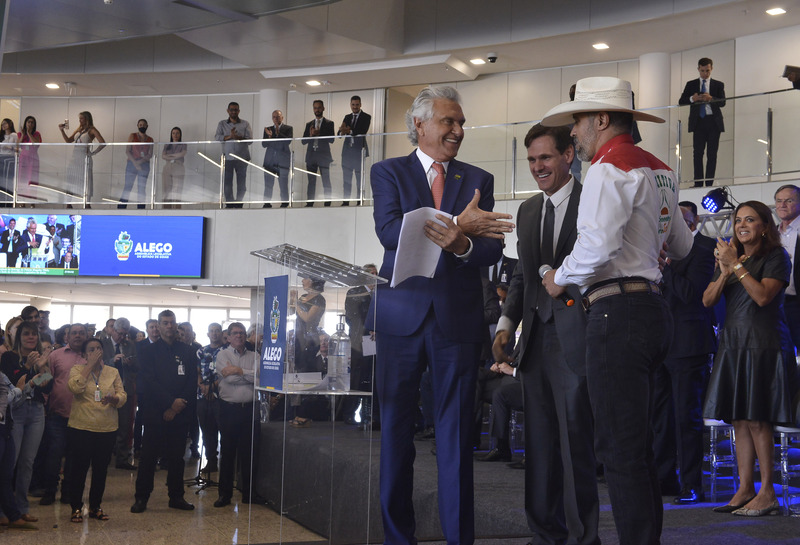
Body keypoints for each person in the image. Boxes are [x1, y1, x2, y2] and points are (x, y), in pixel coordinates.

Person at [540, 76, 693, 545]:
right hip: (652, 309)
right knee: (637, 449)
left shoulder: (606, 169)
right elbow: (682, 247)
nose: (573, 132)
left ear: (602, 119)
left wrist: (559, 276)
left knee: (621, 451)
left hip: (616, 313)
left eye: (579, 121)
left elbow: (597, 247)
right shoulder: (661, 170)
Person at [370, 85, 512, 545]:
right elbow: (390, 232)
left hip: (457, 320)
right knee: (395, 435)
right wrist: (457, 224)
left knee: (455, 438)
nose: (457, 130)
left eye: (461, 122)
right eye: (448, 121)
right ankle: (398, 538)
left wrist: (463, 241)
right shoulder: (387, 171)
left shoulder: (478, 178)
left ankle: (458, 539)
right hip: (400, 318)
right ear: (420, 124)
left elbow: (490, 247)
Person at [492, 123, 599, 545]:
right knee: (538, 445)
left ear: (568, 155)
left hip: (578, 338)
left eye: (546, 157)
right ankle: (544, 534)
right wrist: (506, 325)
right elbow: (523, 276)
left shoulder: (592, 200)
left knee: (575, 445)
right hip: (534, 343)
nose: (538, 166)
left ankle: (583, 538)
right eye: (532, 159)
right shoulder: (528, 210)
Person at [702, 200, 796, 516]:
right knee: (738, 418)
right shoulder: (732, 258)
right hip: (733, 344)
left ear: (765, 226)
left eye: (750, 219)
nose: (742, 225)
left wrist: (736, 266)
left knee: (757, 418)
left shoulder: (777, 256)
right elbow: (707, 300)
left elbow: (763, 296)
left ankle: (767, 492)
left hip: (764, 344)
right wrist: (724, 271)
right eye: (738, 220)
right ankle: (744, 489)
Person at [652, 200, 717, 504]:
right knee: (660, 416)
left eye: (682, 218)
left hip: (689, 343)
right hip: (659, 342)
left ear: (694, 220)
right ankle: (664, 477)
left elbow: (692, 293)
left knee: (685, 416)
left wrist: (664, 268)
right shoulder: (658, 245)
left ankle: (692, 483)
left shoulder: (705, 247)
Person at [131, 310, 197, 514]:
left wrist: (177, 405)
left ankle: (176, 497)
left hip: (180, 412)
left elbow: (191, 381)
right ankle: (141, 497)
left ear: (176, 325)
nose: (169, 326)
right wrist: (169, 403)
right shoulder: (147, 351)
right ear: (158, 326)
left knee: (177, 458)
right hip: (155, 412)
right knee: (149, 458)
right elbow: (149, 382)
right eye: (165, 323)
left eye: (172, 322)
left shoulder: (187, 351)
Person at [66, 337, 126, 523]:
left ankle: (95, 506)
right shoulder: (77, 370)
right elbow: (75, 388)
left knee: (101, 470)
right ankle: (76, 507)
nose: (96, 352)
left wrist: (115, 399)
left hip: (106, 427)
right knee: (79, 469)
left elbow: (122, 394)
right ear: (84, 355)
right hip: (82, 427)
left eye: (98, 348)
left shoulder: (112, 371)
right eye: (91, 349)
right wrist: (89, 367)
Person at [0, 321, 52, 524]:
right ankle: (4, 510)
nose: (31, 337)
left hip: (36, 411)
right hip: (16, 411)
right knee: (9, 463)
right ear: (18, 337)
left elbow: (46, 387)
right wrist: (29, 367)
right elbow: (12, 385)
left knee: (27, 462)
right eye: (26, 334)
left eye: (34, 334)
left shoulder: (41, 357)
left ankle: (22, 508)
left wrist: (41, 368)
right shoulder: (9, 357)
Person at [39, 323, 88, 506]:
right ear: (67, 336)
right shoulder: (56, 355)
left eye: (81, 333)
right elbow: (46, 380)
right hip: (57, 414)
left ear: (86, 336)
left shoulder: (91, 357)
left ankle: (68, 491)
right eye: (74, 333)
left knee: (74, 457)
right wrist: (44, 404)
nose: (78, 336)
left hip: (81, 416)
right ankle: (50, 491)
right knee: (54, 454)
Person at [213, 322, 260, 507]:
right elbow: (230, 378)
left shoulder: (255, 355)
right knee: (228, 453)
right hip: (229, 410)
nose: (239, 336)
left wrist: (239, 370)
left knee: (249, 454)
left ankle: (249, 494)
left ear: (245, 336)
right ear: (229, 337)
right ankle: (224, 495)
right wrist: (249, 375)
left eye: (242, 333)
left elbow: (260, 378)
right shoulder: (222, 355)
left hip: (250, 410)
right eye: (235, 333)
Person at [679, 57, 726, 187]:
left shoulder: (718, 84)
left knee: (712, 154)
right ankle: (698, 183)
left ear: (712, 69)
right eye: (703, 70)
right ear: (698, 69)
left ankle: (709, 183)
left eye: (707, 71)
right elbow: (681, 101)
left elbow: (723, 102)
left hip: (713, 122)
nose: (705, 73)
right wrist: (692, 99)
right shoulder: (691, 84)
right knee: (698, 154)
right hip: (698, 122)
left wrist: (711, 99)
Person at [0, 370, 38, 530]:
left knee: (6, 474)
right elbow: (11, 394)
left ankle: (14, 515)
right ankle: (10, 514)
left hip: (7, 425)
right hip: (7, 423)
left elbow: (12, 396)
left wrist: (24, 387)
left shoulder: (2, 375)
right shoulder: (9, 366)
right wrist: (18, 390)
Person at [100, 317, 138, 470]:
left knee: (124, 425)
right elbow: (97, 365)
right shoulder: (102, 344)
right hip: (106, 390)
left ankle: (122, 459)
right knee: (105, 425)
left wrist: (131, 363)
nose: (122, 337)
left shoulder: (130, 345)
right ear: (113, 330)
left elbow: (138, 367)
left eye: (125, 334)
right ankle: (103, 458)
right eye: (120, 333)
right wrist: (112, 360)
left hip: (125, 389)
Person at [774, 184, 800, 354]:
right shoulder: (771, 235)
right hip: (775, 304)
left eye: (788, 201)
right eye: (779, 201)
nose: (782, 205)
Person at [59, 111, 106, 203]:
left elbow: (103, 143)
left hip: (84, 158)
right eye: (79, 118)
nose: (80, 120)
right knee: (71, 178)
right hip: (75, 157)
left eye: (81, 118)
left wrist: (93, 153)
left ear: (87, 119)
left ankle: (87, 202)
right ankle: (69, 202)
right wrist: (62, 131)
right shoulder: (79, 130)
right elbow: (68, 140)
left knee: (86, 180)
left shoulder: (92, 130)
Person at [214, 101, 252, 208]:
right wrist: (230, 137)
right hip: (227, 158)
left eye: (236, 110)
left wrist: (238, 138)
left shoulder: (245, 124)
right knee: (227, 183)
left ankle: (239, 203)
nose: (234, 112)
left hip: (242, 158)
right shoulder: (222, 124)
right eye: (231, 110)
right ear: (228, 111)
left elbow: (250, 140)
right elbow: (217, 137)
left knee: (241, 184)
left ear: (239, 111)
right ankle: (230, 204)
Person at [196, 322, 223, 473]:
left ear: (221, 333)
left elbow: (226, 375)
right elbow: (197, 372)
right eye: (212, 331)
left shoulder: (226, 351)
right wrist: (202, 386)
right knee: (207, 431)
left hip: (221, 396)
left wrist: (212, 387)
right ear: (208, 334)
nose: (214, 333)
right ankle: (211, 461)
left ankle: (226, 463)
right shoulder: (201, 351)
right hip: (203, 396)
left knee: (223, 430)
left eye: (217, 331)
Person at [338, 95, 371, 206]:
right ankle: (345, 202)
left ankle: (359, 201)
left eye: (357, 105)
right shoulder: (347, 117)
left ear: (360, 105)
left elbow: (362, 131)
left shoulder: (366, 117)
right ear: (350, 105)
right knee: (346, 178)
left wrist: (349, 131)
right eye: (353, 105)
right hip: (347, 152)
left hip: (359, 152)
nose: (355, 107)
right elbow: (340, 133)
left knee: (359, 178)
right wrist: (342, 131)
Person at [301, 100, 335, 207]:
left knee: (326, 180)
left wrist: (319, 133)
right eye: (315, 108)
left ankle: (327, 203)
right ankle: (309, 203)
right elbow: (303, 141)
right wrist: (311, 135)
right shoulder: (309, 124)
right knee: (311, 181)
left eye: (319, 107)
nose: (317, 110)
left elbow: (332, 139)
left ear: (323, 108)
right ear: (313, 109)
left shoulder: (329, 123)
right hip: (311, 156)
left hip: (324, 156)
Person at [118, 119, 153, 209]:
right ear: (137, 126)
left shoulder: (150, 139)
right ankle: (121, 208)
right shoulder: (132, 136)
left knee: (141, 188)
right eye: (140, 125)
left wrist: (139, 162)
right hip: (132, 163)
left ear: (147, 126)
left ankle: (141, 209)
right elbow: (128, 150)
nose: (142, 126)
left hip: (144, 164)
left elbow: (150, 154)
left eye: (144, 125)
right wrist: (135, 163)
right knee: (128, 186)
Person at [261, 109, 293, 208]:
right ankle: (267, 203)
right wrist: (270, 137)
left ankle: (285, 203)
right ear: (272, 118)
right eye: (274, 117)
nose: (276, 119)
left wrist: (278, 133)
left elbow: (288, 141)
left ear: (282, 118)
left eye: (278, 117)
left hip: (283, 161)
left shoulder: (288, 128)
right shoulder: (268, 129)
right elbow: (264, 144)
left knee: (283, 184)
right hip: (270, 161)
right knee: (268, 184)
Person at [161, 127, 187, 209]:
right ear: (171, 134)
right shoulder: (167, 145)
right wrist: (175, 156)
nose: (175, 135)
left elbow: (182, 154)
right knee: (166, 189)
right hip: (168, 166)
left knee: (177, 188)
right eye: (173, 133)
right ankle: (166, 209)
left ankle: (176, 209)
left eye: (177, 133)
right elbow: (163, 156)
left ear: (180, 134)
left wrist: (170, 156)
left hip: (178, 165)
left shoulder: (183, 144)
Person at [17, 116, 41, 202]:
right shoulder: (20, 134)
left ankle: (32, 201)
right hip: (23, 158)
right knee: (22, 179)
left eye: (32, 122)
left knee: (32, 179)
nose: (30, 124)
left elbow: (35, 144)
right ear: (25, 123)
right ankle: (22, 201)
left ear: (34, 124)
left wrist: (29, 133)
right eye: (28, 122)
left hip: (33, 158)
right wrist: (24, 134)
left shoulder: (37, 134)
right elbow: (18, 146)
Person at [0, 118, 18, 204]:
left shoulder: (14, 135)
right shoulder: (1, 136)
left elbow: (17, 148)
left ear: (10, 124)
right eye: (2, 124)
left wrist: (8, 147)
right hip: (1, 158)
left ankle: (8, 201)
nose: (3, 125)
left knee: (8, 181)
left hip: (10, 158)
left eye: (5, 123)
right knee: (1, 180)